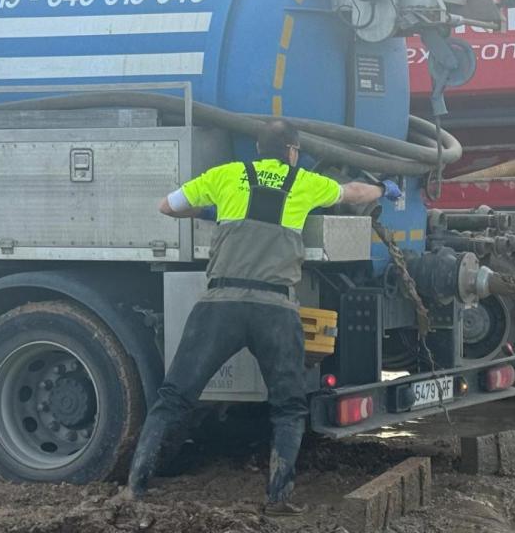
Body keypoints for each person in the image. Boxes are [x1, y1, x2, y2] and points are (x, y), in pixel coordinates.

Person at [125, 120, 402, 515]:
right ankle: (277, 499)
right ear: (291, 151)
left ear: (258, 149)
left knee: (173, 398)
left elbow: (167, 206)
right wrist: (383, 190)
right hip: (275, 309)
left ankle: (135, 489)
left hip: (221, 304)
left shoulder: (227, 176)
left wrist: (212, 209)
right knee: (288, 408)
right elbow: (352, 192)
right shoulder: (304, 182)